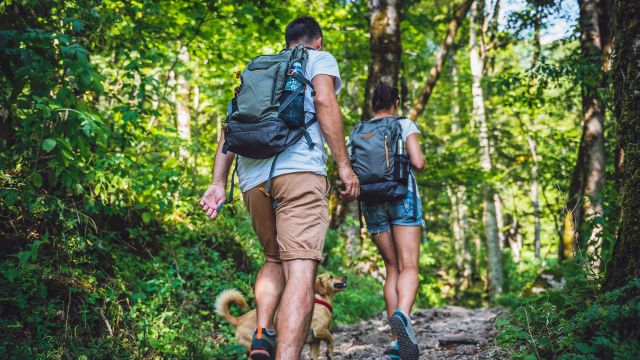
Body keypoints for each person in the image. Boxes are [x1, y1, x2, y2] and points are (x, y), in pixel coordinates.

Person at [199, 16, 359, 359]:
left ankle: (262, 333)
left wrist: (217, 183)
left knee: (273, 258)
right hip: (298, 172)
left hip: (253, 179)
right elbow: (325, 102)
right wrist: (345, 166)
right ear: (317, 40)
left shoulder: (258, 69)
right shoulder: (317, 58)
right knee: (301, 268)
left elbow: (229, 126)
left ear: (286, 41)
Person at [361, 82, 425, 360]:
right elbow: (418, 162)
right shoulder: (404, 124)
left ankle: (398, 342)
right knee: (409, 265)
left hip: (372, 200)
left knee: (392, 268)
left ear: (372, 103)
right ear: (395, 102)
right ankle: (403, 314)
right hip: (402, 197)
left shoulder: (359, 130)